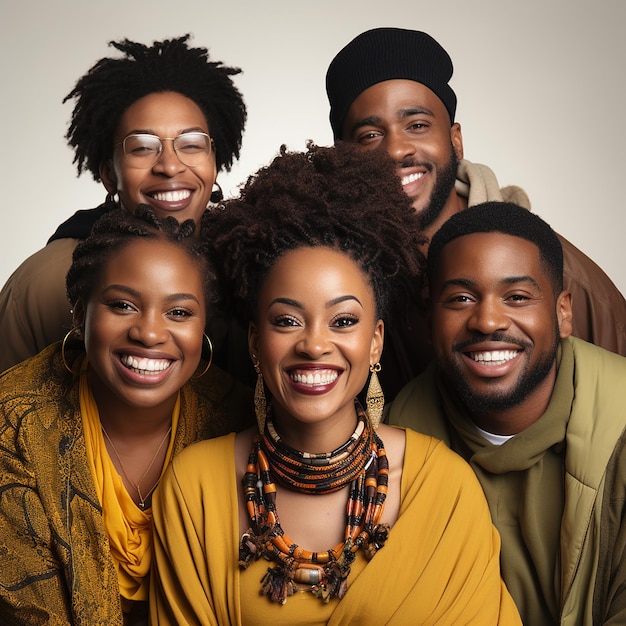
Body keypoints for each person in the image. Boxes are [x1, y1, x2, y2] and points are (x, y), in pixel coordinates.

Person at [148, 143, 521, 625]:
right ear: (256, 343)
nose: (314, 344)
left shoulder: (444, 490)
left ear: (375, 342)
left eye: (343, 321)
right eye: (287, 320)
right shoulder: (196, 487)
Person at [326, 27, 626, 399]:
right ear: (343, 157)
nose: (396, 150)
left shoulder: (566, 281)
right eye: (370, 135)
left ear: (455, 139)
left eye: (417, 125)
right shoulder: (334, 285)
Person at [0, 208, 253, 625]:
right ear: (81, 315)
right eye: (122, 305)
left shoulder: (238, 419)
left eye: (179, 312)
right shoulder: (14, 425)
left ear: (204, 325)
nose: (150, 333)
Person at [388, 201, 626, 625]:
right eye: (460, 298)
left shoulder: (620, 428)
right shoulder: (387, 450)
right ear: (430, 318)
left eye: (516, 297)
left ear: (563, 312)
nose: (487, 321)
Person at [0, 34, 247, 374]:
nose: (170, 165)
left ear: (215, 163)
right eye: (142, 147)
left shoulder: (247, 269)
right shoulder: (45, 282)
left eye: (191, 144)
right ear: (109, 174)